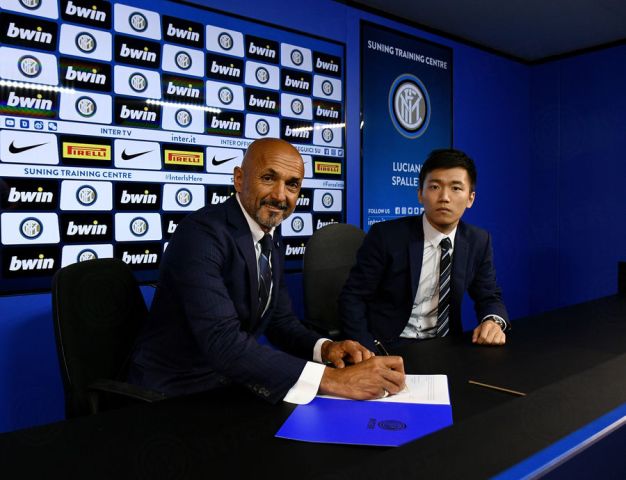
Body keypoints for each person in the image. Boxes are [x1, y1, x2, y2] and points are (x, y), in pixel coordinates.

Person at [128, 138, 404, 403]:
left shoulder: (267, 233)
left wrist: (326, 348)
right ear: (239, 179)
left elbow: (279, 321)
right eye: (268, 178)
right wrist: (333, 379)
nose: (280, 196)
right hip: (175, 391)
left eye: (292, 184)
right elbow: (222, 342)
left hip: (227, 383)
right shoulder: (200, 234)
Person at [340, 148, 509, 352]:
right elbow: (353, 298)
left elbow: (489, 295)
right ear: (420, 194)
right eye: (435, 187)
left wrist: (493, 321)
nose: (444, 197)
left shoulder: (478, 241)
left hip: (447, 345)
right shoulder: (386, 236)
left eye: (456, 188)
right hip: (389, 346)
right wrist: (367, 351)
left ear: (470, 198)